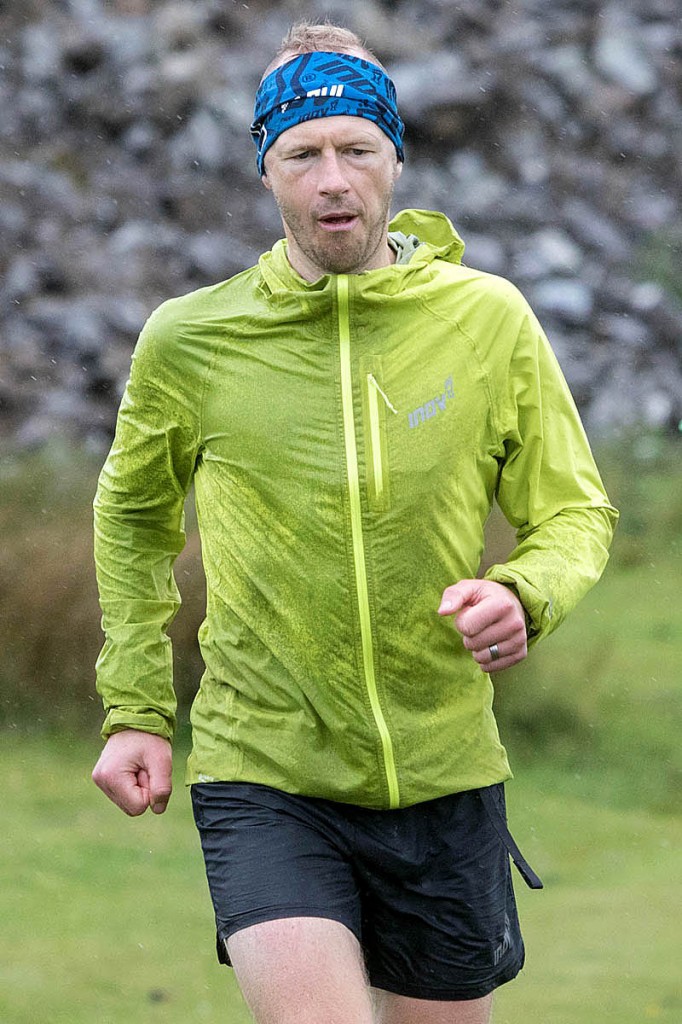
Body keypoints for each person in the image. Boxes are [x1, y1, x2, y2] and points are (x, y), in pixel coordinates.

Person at [92, 22, 618, 1024]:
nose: (332, 180)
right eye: (302, 155)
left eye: (355, 150)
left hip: (444, 775)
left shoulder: (488, 318)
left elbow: (573, 510)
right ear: (266, 170)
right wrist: (136, 705)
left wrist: (523, 593)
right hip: (266, 769)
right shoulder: (191, 339)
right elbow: (132, 516)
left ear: (395, 159)